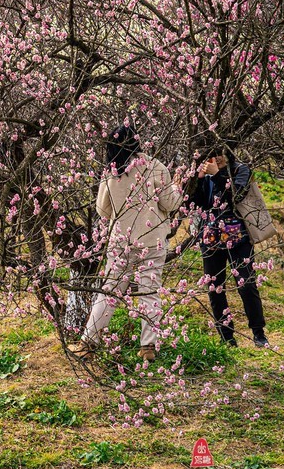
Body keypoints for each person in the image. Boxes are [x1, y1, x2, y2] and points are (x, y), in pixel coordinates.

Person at [71, 125, 181, 361]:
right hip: (152, 242)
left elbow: (102, 209)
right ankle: (148, 348)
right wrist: (178, 188)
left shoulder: (112, 172)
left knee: (109, 292)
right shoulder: (156, 167)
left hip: (121, 242)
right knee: (149, 291)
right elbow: (170, 204)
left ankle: (88, 343)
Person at [183, 152, 269, 348]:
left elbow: (236, 195)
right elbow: (191, 204)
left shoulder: (240, 170)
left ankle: (258, 333)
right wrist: (196, 181)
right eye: (212, 155)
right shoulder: (204, 175)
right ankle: (227, 337)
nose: (217, 158)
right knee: (214, 288)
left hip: (239, 239)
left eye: (220, 154)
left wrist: (218, 175)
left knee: (246, 285)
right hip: (210, 239)